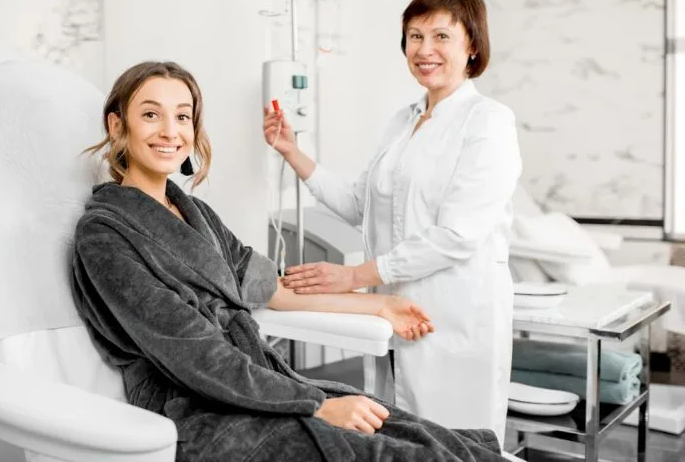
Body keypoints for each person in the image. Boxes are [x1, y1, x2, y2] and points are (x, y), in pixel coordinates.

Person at [71, 60, 513, 461]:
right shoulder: (104, 234)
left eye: (182, 116)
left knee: (429, 437)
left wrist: (379, 304)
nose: (171, 131)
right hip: (195, 409)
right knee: (388, 452)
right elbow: (193, 354)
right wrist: (316, 405)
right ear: (117, 125)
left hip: (258, 384)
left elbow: (273, 290)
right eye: (151, 115)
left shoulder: (195, 213)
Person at [263, 0, 522, 443]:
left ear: (472, 45)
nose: (424, 49)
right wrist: (292, 151)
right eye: (415, 36)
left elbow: (457, 235)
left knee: (452, 443)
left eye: (441, 36)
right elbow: (359, 204)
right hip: (388, 314)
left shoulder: (488, 122)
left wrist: (352, 276)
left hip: (453, 316)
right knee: (395, 440)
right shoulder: (403, 120)